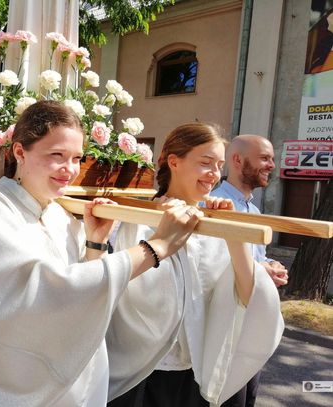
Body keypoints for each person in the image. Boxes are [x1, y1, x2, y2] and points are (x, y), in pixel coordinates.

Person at [0, 101, 202, 406]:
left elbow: (77, 299)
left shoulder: (59, 215)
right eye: (57, 156)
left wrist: (94, 244)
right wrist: (156, 247)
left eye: (77, 158)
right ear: (20, 152)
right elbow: (37, 293)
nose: (69, 170)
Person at [106, 123, 284, 406]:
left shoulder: (214, 225)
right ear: (174, 161)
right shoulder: (134, 221)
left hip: (193, 375)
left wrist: (231, 231)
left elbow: (250, 295)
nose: (214, 174)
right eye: (205, 163)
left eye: (219, 165)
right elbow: (111, 291)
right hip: (139, 373)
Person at [210, 134, 288, 407]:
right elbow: (209, 264)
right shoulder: (212, 205)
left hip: (250, 325)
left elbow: (256, 257)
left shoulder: (253, 210)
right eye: (265, 158)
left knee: (246, 398)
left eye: (272, 159)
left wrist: (269, 266)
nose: (272, 166)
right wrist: (258, 270)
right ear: (237, 160)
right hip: (224, 328)